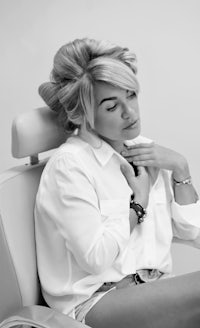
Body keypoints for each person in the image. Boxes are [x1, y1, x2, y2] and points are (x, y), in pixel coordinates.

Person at [35, 38, 200, 327]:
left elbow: (194, 233)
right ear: (84, 114)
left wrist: (180, 169)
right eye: (112, 107)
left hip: (153, 289)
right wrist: (137, 205)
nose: (130, 113)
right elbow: (96, 258)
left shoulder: (144, 150)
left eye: (132, 95)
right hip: (97, 303)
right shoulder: (70, 166)